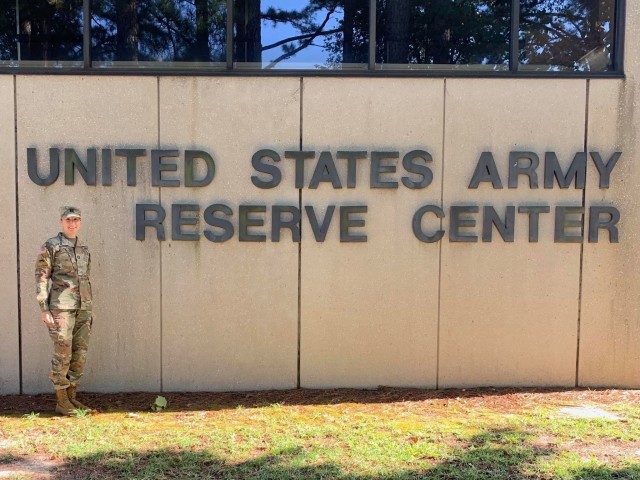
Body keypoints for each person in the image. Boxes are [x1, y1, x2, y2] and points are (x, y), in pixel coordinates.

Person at [35, 206, 94, 415]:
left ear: (80, 222)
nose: (72, 224)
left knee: (80, 354)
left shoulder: (84, 248)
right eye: (68, 220)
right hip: (61, 308)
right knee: (63, 354)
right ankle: (61, 401)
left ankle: (72, 398)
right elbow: (42, 276)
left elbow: (85, 278)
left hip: (83, 308)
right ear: (62, 221)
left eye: (76, 220)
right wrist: (44, 308)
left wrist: (89, 307)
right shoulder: (51, 246)